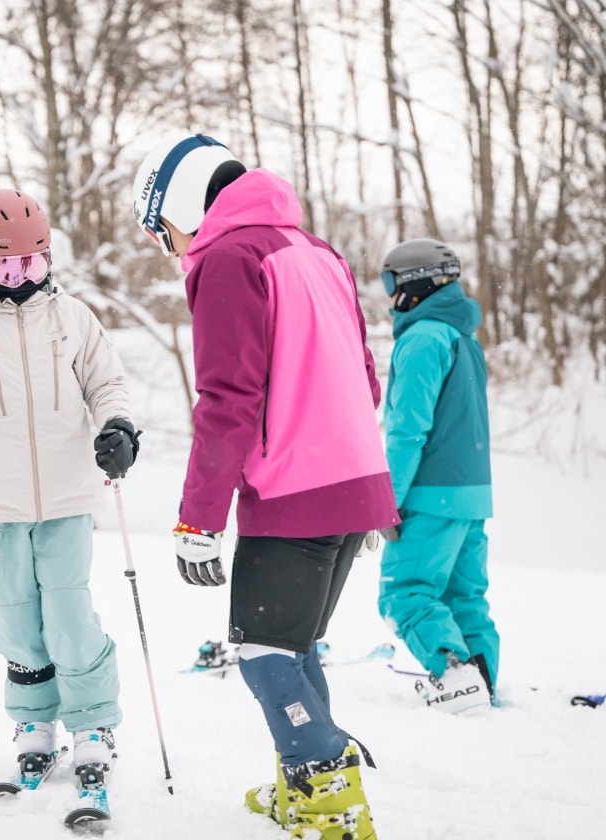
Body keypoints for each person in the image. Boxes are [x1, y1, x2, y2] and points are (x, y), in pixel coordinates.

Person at [132, 134, 398, 840]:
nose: (169, 246)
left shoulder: (228, 258)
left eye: (163, 228)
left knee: (262, 651)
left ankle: (328, 798)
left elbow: (228, 400)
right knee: (294, 644)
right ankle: (304, 784)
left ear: (185, 202)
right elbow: (367, 377)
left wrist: (198, 519)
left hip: (294, 487)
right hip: (356, 483)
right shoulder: (315, 252)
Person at [0, 188, 140, 784]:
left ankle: (92, 724)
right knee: (13, 620)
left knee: (69, 615)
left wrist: (117, 426)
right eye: (5, 266)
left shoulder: (71, 317)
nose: (19, 279)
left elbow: (106, 383)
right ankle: (34, 723)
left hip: (66, 494)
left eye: (32, 264)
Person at [377, 237, 499, 715]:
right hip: (471, 493)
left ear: (413, 285)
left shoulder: (423, 339)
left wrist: (386, 500)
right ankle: (482, 681)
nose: (388, 298)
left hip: (432, 494)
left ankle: (455, 677)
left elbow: (408, 430)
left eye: (390, 284)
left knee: (406, 593)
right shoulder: (463, 339)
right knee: (463, 595)